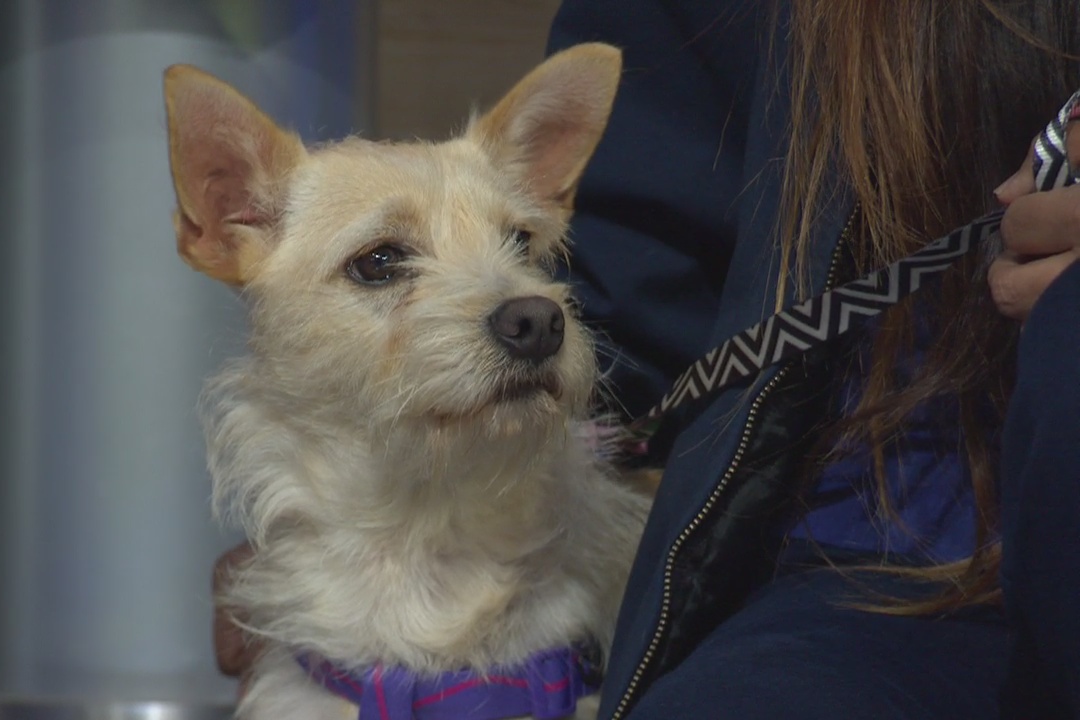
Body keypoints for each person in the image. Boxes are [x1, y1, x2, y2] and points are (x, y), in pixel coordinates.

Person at [215, 1, 1080, 717]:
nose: (522, 304)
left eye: (521, 240)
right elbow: (628, 311)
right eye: (383, 263)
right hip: (847, 563)